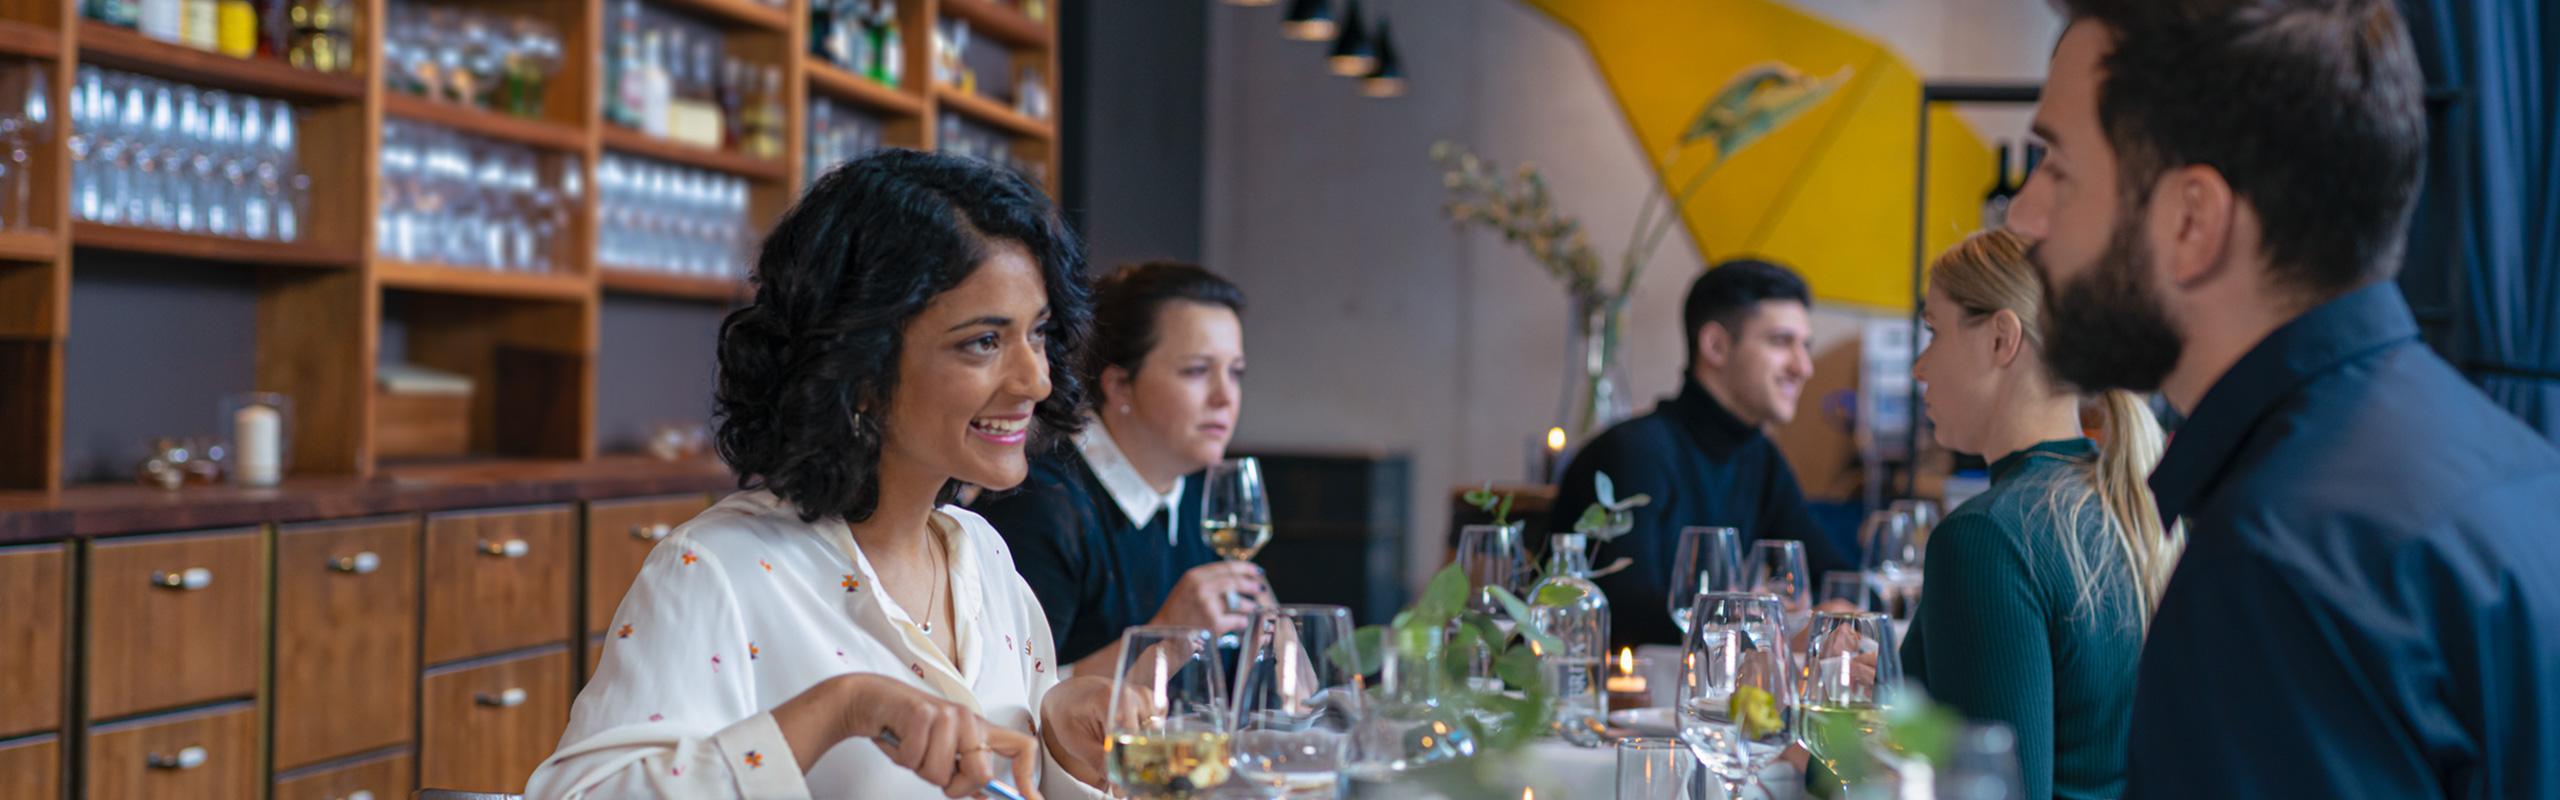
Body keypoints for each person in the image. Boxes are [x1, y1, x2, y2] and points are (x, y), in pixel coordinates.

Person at [2009, 2, 2560, 796]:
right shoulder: (2521, 471)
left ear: (2192, 221)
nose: (2025, 216)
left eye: (2058, 169)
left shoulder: (2273, 569)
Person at [530, 150, 1116, 799]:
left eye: (1038, 334)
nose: (1035, 379)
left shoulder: (984, 556)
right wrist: (839, 709)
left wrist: (1059, 747)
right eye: (984, 341)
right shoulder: (717, 569)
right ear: (858, 367)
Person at [1898, 229, 2179, 799]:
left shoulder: (1986, 537)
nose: (1919, 368)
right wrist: (1894, 689)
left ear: (2002, 339)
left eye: (1934, 331)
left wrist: (1823, 752)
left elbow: (1992, 788)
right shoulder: (2125, 502)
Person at [972, 262, 1271, 677]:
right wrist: (1163, 639)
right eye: (1197, 371)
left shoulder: (1203, 496)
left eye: (1235, 372)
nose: (1226, 397)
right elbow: (1010, 695)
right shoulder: (1040, 504)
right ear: (1119, 386)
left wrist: (1278, 654)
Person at [1551, 258, 1854, 648]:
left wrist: (1838, 610)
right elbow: (1622, 612)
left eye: (1805, 346)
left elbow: (1839, 579)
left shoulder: (1760, 458)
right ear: (1716, 346)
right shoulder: (1632, 454)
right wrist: (1759, 622)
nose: (1804, 367)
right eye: (1781, 342)